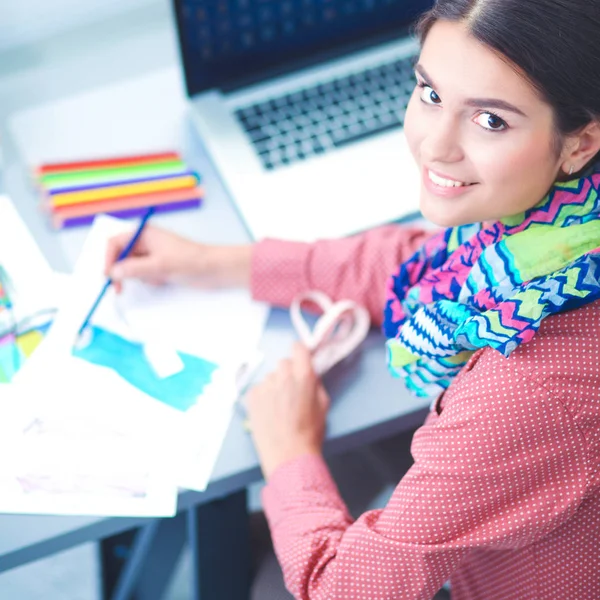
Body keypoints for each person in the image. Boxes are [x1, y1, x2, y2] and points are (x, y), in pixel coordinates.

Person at [105, 0, 600, 597]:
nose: (434, 146)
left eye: (491, 121)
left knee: (253, 575)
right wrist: (218, 263)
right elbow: (418, 261)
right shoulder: (560, 231)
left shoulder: (532, 389)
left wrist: (288, 449)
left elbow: (343, 589)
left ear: (579, 142)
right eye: (430, 93)